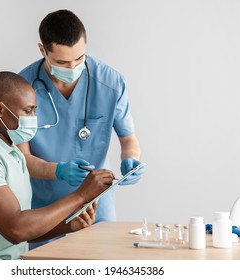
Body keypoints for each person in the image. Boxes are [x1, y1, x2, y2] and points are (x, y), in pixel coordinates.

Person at [0, 71, 114, 259]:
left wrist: (68, 225)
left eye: (35, 111)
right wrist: (81, 195)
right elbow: (15, 229)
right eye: (28, 110)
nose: (33, 118)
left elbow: (24, 230)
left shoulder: (12, 153)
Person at [18, 9, 145, 249]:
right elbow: (22, 158)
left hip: (97, 207)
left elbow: (129, 140)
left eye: (80, 58)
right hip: (46, 211)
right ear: (42, 50)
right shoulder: (23, 88)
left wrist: (132, 159)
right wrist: (58, 171)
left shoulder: (110, 83)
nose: (73, 66)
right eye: (62, 62)